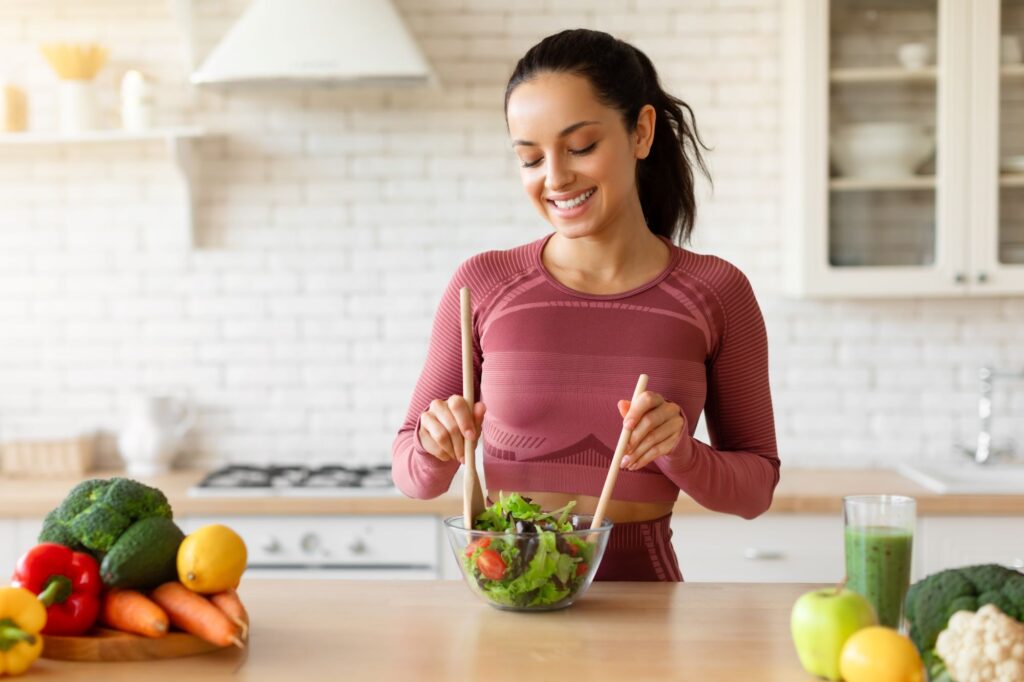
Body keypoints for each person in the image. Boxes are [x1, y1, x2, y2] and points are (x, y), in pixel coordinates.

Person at [392, 29, 779, 581]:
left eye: (580, 148)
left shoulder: (716, 292)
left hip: (646, 619)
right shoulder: (484, 284)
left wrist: (682, 453)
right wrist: (433, 445)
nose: (555, 178)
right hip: (506, 610)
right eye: (530, 159)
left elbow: (756, 490)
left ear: (641, 132)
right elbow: (411, 474)